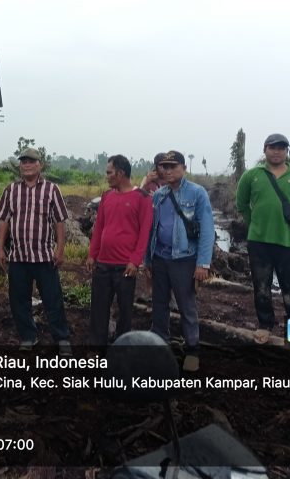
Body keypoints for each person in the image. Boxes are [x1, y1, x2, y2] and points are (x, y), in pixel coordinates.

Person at [235, 133, 290, 344]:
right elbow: (241, 204)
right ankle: (265, 325)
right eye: (273, 147)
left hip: (289, 243)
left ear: (287, 151)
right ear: (265, 149)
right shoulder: (252, 175)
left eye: (281, 147)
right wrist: (256, 225)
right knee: (261, 287)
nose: (277, 151)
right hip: (259, 243)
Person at [0, 147, 73, 355]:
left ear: (40, 165)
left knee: (52, 299)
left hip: (44, 256)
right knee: (19, 300)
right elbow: (3, 220)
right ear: (20, 166)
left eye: (31, 161)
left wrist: (61, 249)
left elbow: (59, 221)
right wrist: (0, 248)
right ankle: (28, 336)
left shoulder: (51, 189)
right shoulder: (11, 190)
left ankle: (62, 337)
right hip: (19, 256)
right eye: (23, 162)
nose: (27, 165)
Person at [145, 151, 215, 372]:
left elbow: (207, 230)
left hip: (184, 259)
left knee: (186, 305)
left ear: (184, 168)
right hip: (160, 258)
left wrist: (203, 263)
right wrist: (147, 260)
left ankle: (192, 349)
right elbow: (152, 230)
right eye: (164, 167)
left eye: (173, 166)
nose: (167, 170)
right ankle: (159, 345)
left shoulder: (197, 193)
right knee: (158, 304)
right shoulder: (159, 195)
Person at [86, 155, 153, 346]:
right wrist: (92, 254)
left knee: (125, 310)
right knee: (99, 307)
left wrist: (135, 261)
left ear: (121, 173)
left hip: (125, 266)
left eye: (109, 172)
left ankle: (122, 346)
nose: (107, 176)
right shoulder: (107, 196)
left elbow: (144, 233)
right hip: (103, 263)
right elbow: (99, 227)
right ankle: (96, 346)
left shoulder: (142, 198)